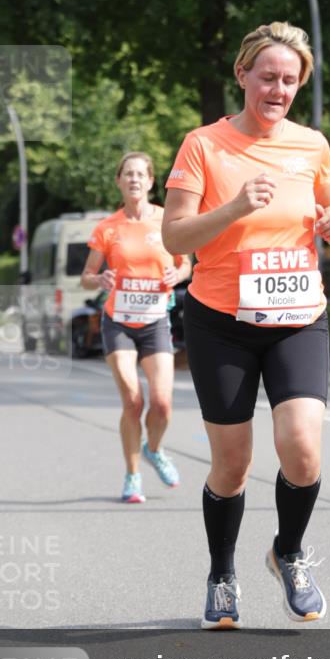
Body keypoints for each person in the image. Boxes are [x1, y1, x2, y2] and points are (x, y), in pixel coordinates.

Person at [162, 22, 330, 629]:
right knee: (233, 463)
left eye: (290, 80)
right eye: (267, 76)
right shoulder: (202, 145)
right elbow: (174, 235)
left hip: (299, 315)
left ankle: (288, 552)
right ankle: (222, 574)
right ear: (242, 75)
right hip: (221, 320)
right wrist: (237, 205)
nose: (278, 89)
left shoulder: (311, 144)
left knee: (302, 447)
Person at [81, 152, 192, 503]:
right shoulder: (107, 228)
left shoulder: (166, 220)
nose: (133, 179)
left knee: (161, 403)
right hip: (119, 324)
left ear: (150, 181)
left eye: (140, 174)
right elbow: (85, 277)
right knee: (133, 399)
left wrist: (179, 273)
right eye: (127, 174)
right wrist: (99, 278)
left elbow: (186, 262)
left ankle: (154, 450)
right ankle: (132, 477)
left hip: (155, 322)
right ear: (118, 181)